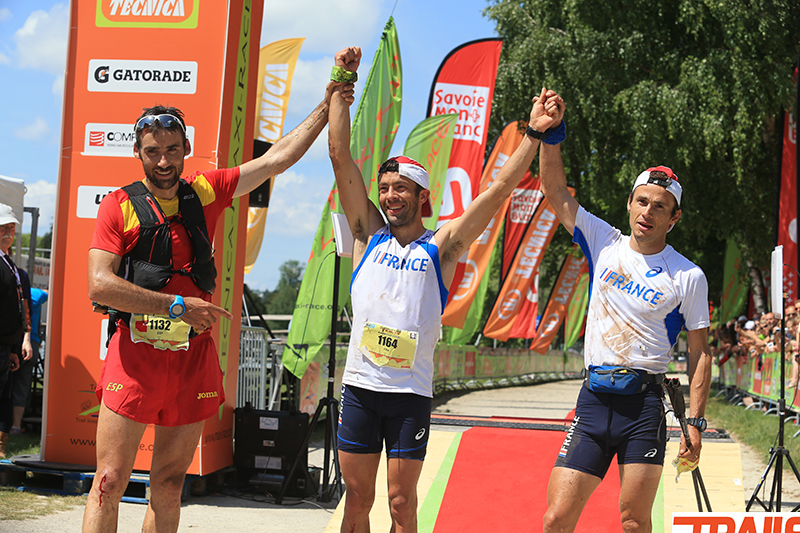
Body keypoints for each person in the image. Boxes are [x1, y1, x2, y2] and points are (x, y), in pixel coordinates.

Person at [82, 79, 354, 533]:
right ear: (138, 152)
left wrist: (327, 102)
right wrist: (174, 307)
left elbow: (277, 158)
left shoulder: (205, 191)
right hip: (135, 359)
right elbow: (98, 285)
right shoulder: (118, 205)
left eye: (172, 149)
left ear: (186, 147)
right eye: (153, 151)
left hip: (192, 361)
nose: (164, 161)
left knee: (168, 485)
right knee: (108, 482)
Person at [328, 46, 563, 533]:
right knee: (356, 499)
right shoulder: (366, 233)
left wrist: (535, 133)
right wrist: (340, 82)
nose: (390, 195)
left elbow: (497, 191)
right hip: (360, 388)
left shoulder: (442, 246)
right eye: (385, 186)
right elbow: (338, 155)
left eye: (401, 189)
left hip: (409, 392)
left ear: (422, 198)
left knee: (400, 504)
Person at [538, 96, 713, 532]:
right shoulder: (604, 241)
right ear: (630, 203)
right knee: (556, 517)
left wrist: (695, 421)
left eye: (659, 206)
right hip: (593, 401)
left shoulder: (688, 275)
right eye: (641, 201)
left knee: (634, 522)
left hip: (645, 408)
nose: (647, 212)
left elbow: (700, 354)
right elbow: (554, 191)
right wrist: (550, 134)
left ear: (673, 218)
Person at [0, 204, 25, 458]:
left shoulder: (8, 262)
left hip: (6, 346)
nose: (8, 232)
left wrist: (13, 348)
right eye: (3, 227)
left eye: (12, 228)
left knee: (4, 399)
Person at [10, 271, 47, 435]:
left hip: (13, 342)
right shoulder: (36, 294)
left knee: (6, 385)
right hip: (32, 343)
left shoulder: (11, 295)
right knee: (22, 385)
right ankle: (16, 426)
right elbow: (48, 293)